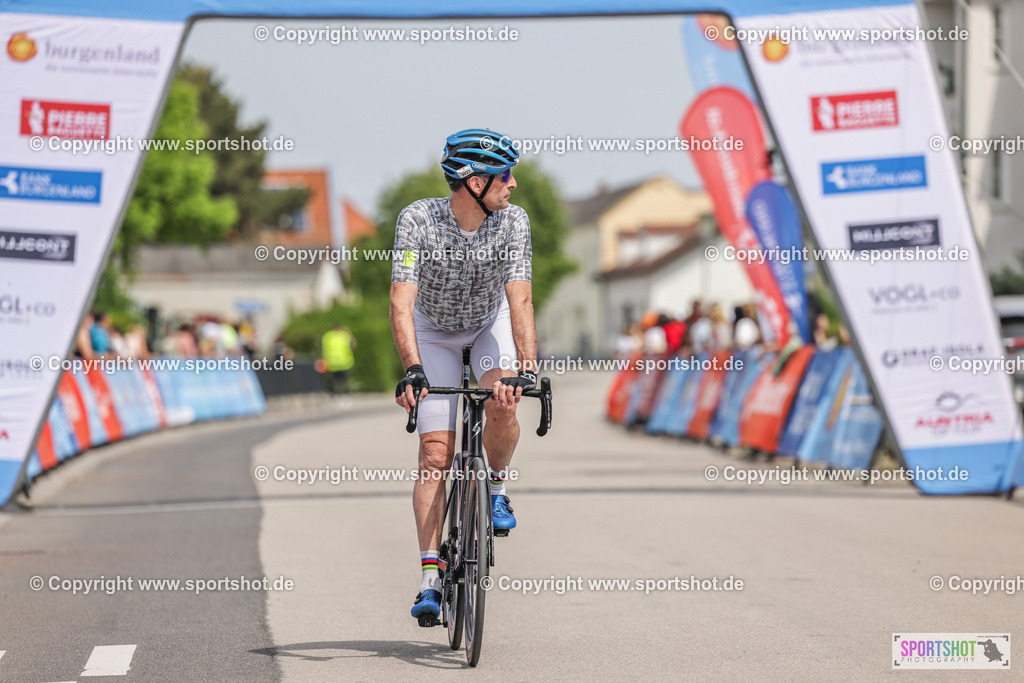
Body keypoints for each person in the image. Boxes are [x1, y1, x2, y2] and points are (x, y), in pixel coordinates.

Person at [390, 128, 536, 623]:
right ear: (473, 182)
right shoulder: (417, 220)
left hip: (486, 325)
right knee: (435, 452)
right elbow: (401, 302)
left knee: (503, 401)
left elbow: (519, 298)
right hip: (433, 332)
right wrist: (412, 368)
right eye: (504, 174)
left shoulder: (513, 222)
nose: (512, 183)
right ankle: (430, 578)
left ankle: (495, 490)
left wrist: (526, 367)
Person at [321, 325, 356, 394]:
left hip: (331, 363)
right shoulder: (345, 336)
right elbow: (353, 346)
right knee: (344, 381)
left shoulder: (327, 336)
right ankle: (345, 394)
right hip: (345, 362)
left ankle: (335, 394)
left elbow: (322, 349)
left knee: (334, 381)